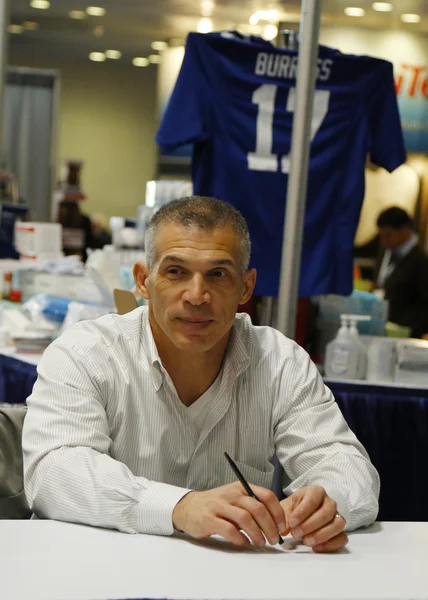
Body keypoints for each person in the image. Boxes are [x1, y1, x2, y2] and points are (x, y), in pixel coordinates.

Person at [23, 197, 379, 553]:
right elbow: (53, 473)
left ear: (246, 287)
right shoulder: (84, 354)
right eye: (176, 272)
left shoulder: (280, 363)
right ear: (143, 281)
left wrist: (321, 507)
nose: (196, 296)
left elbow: (350, 470)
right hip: (96, 573)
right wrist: (180, 507)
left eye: (218, 274)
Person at [375, 206, 428, 338]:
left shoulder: (420, 261)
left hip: (406, 332)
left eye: (388, 235)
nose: (384, 241)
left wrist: (410, 327)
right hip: (382, 324)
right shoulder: (385, 253)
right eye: (381, 236)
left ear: (405, 230)